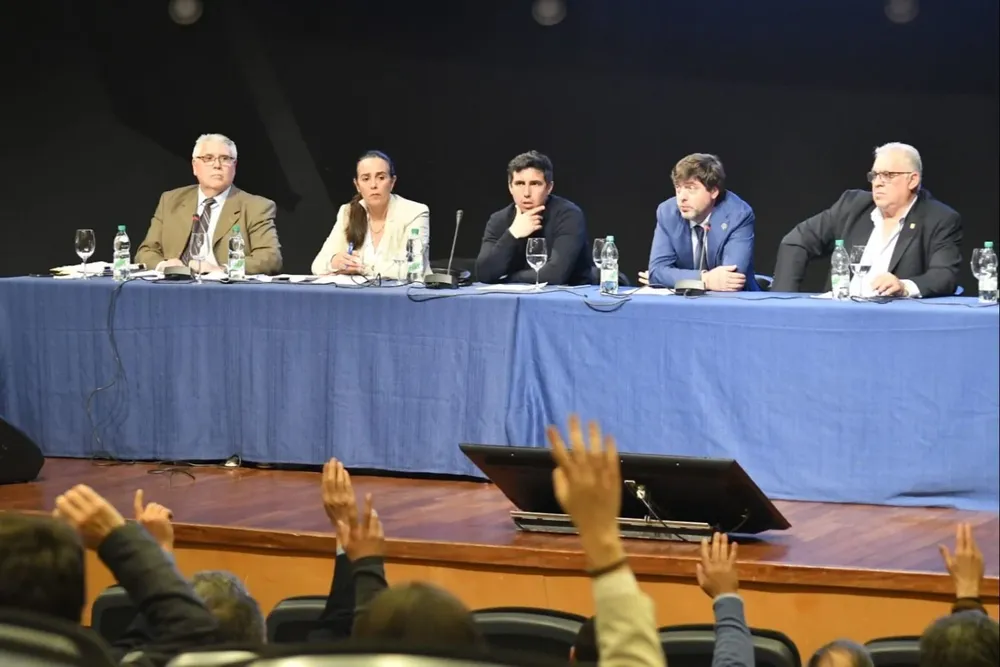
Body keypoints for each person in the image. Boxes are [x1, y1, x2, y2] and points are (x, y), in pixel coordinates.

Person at [772, 142, 962, 297]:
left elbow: (944, 275)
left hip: (893, 321)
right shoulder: (853, 205)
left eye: (888, 175)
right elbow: (796, 241)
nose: (878, 182)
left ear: (912, 180)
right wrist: (783, 302)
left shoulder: (940, 219)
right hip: (839, 314)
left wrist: (904, 286)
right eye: (875, 175)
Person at [135, 133, 283, 275]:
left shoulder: (256, 207)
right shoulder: (171, 200)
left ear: (234, 166)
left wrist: (222, 269)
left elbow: (270, 258)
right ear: (194, 166)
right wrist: (163, 265)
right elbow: (146, 251)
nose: (217, 165)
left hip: (223, 290)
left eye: (225, 159)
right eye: (208, 158)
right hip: (174, 285)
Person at [639, 153, 758, 291]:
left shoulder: (738, 215)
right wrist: (705, 279)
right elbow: (657, 272)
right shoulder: (667, 212)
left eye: (691, 188)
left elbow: (732, 279)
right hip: (684, 302)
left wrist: (672, 278)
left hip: (736, 304)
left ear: (713, 191)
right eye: (678, 188)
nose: (682, 198)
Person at [475, 151, 591, 285]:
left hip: (567, 299)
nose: (526, 193)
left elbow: (555, 275)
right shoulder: (498, 220)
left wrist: (509, 278)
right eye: (519, 183)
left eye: (535, 184)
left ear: (549, 187)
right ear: (510, 187)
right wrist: (513, 234)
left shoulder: (568, 215)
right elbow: (484, 273)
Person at [311, 150, 429, 280]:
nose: (373, 185)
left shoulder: (415, 212)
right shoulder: (347, 213)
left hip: (406, 297)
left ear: (392, 182)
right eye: (366, 179)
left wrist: (361, 268)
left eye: (381, 177)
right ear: (357, 185)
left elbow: (413, 268)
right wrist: (334, 262)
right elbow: (317, 265)